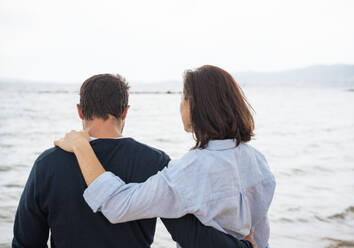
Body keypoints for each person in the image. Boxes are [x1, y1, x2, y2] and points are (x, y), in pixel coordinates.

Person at [13, 73, 255, 248]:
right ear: (125, 111)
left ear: (80, 110)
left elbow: (26, 241)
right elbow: (189, 236)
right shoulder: (154, 161)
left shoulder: (47, 163)